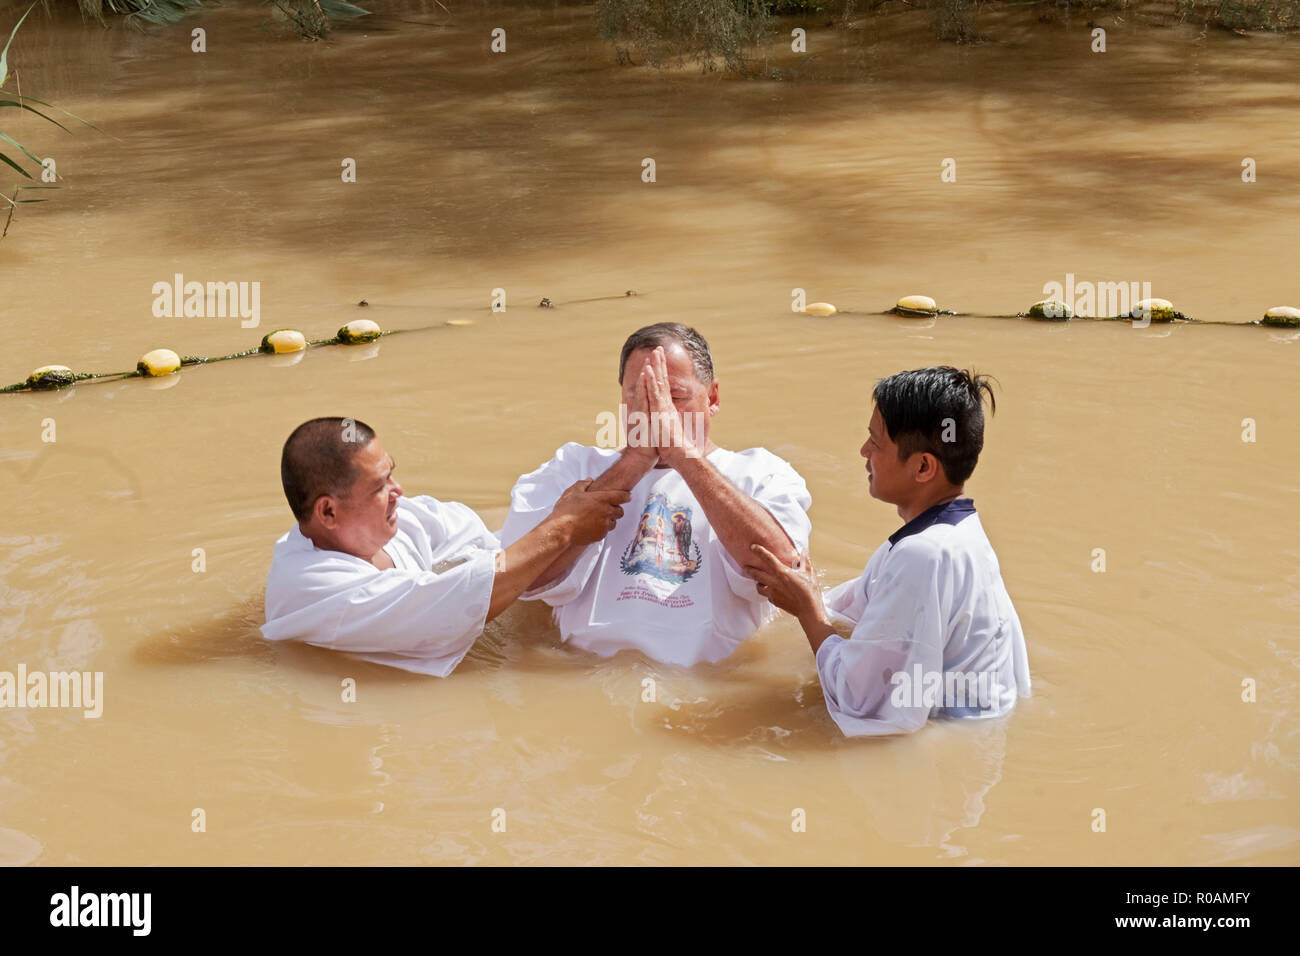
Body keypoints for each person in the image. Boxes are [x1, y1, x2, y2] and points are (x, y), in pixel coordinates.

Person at [499, 323, 812, 666]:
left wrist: (682, 454)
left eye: (674, 397)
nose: (656, 412)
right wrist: (635, 461)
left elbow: (788, 575)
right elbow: (515, 579)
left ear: (713, 398)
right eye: (639, 396)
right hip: (578, 677)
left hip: (707, 691)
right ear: (622, 399)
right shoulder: (573, 466)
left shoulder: (761, 472)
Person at [749, 367, 1031, 736]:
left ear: (923, 467)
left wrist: (807, 611)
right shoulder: (955, 532)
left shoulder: (923, 555)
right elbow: (854, 608)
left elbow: (865, 700)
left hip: (950, 745)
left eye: (876, 442)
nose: (863, 451)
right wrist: (805, 595)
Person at [260, 417, 629, 676]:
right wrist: (563, 527)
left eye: (392, 473)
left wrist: (577, 517)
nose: (398, 491)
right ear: (328, 511)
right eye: (380, 486)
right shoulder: (309, 586)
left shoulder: (404, 521)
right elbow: (446, 603)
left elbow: (501, 550)